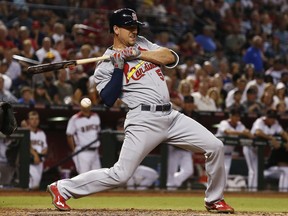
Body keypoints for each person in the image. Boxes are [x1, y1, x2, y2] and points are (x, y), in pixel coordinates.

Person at [47, 8, 234, 213]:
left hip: (171, 116)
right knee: (120, 174)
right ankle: (62, 188)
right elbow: (108, 99)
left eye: (135, 27)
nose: (134, 31)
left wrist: (139, 53)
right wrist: (119, 68)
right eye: (129, 27)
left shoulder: (143, 43)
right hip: (143, 119)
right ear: (116, 29)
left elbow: (171, 57)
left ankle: (214, 199)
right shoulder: (105, 65)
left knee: (215, 146)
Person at [244, 109, 288, 191]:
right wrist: (271, 138)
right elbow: (258, 132)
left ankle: (254, 190)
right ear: (266, 117)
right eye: (270, 117)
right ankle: (251, 191)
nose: (272, 119)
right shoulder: (259, 121)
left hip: (259, 150)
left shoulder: (275, 124)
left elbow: (283, 133)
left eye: (273, 118)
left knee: (256, 171)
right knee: (253, 171)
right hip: (250, 148)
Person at [66, 98, 101, 174]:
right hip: (82, 151)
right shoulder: (74, 119)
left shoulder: (96, 116)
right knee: (83, 177)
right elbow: (69, 135)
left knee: (97, 177)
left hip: (95, 151)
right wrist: (74, 149)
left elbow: (98, 134)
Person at [215, 108, 254, 178]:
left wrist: (248, 133)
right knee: (216, 174)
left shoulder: (240, 125)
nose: (237, 118)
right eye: (235, 116)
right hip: (217, 153)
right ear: (231, 116)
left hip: (228, 155)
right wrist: (243, 133)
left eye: (238, 116)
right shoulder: (224, 123)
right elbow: (228, 132)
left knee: (224, 175)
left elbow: (247, 133)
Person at [24, 111, 48, 190]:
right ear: (28, 121)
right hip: (28, 161)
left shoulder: (42, 133)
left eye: (36, 119)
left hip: (39, 162)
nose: (34, 121)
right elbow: (26, 146)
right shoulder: (26, 132)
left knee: (35, 185)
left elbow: (45, 148)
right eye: (32, 119)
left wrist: (40, 155)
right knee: (29, 185)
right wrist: (35, 155)